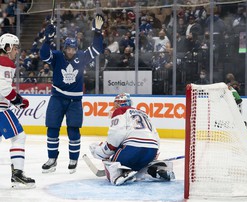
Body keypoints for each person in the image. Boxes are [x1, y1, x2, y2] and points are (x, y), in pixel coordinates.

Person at [40, 14, 104, 174]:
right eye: (68, 49)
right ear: (64, 48)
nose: (71, 51)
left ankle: (73, 159)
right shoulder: (57, 56)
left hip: (74, 101)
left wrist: (97, 32)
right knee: (52, 128)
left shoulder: (82, 57)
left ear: (76, 48)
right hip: (57, 97)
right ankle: (52, 159)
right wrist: (47, 39)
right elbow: (43, 55)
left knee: (73, 130)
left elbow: (96, 49)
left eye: (73, 49)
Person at [89, 93, 175, 186]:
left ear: (119, 104)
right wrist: (153, 154)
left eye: (116, 103)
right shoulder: (143, 113)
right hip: (152, 149)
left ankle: (121, 172)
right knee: (140, 165)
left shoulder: (120, 111)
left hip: (132, 149)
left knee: (113, 165)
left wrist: (105, 151)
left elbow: (117, 133)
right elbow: (155, 135)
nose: (115, 106)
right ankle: (155, 171)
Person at [0, 33, 35, 188]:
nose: (16, 51)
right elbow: (5, 89)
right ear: (7, 47)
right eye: (15, 48)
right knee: (19, 136)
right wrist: (19, 101)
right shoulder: (5, 62)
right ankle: (18, 174)